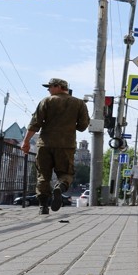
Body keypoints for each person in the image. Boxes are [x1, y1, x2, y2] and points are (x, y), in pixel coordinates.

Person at [21, 77, 91, 215]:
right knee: (66, 173)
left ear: (59, 87)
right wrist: (71, 125)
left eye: (50, 87)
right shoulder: (79, 103)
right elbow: (83, 126)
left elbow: (35, 123)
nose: (48, 89)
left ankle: (43, 206)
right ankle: (60, 186)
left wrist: (26, 141)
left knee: (43, 176)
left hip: (45, 144)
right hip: (66, 145)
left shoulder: (46, 101)